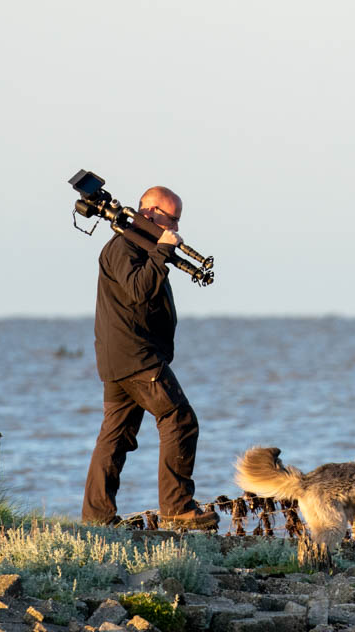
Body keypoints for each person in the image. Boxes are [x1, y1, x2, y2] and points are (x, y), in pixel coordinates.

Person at [82, 185, 219, 530]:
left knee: (116, 437)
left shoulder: (138, 245)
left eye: (177, 221)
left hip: (123, 358)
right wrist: (161, 253)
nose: (174, 227)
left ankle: (97, 519)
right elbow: (140, 291)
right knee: (179, 419)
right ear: (148, 213)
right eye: (169, 218)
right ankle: (177, 510)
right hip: (136, 358)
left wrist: (161, 252)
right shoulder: (123, 247)